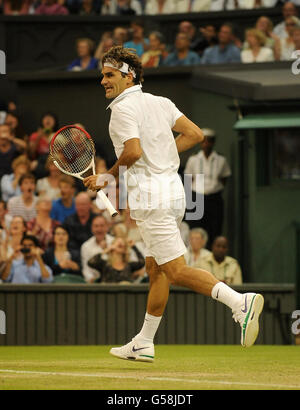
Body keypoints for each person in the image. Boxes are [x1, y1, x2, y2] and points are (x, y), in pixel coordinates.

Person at [83, 46, 264, 361]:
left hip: (153, 198)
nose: (103, 81)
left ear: (128, 76)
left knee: (176, 270)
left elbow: (134, 152)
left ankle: (239, 302)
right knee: (155, 269)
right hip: (173, 193)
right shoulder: (161, 102)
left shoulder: (121, 111)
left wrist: (106, 177)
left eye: (109, 75)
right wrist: (163, 154)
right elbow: (194, 135)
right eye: (102, 75)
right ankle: (144, 341)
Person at [184, 128, 231, 248]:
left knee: (214, 229)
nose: (206, 144)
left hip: (214, 197)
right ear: (200, 142)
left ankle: (210, 256)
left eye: (209, 141)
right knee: (195, 230)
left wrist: (214, 189)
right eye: (204, 141)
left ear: (213, 142)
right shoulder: (193, 159)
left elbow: (224, 178)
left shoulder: (221, 159)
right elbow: (188, 180)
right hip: (197, 196)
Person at [80, 214, 114, 282]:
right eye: (96, 226)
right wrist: (91, 280)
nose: (99, 229)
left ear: (107, 227)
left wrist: (106, 250)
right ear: (92, 228)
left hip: (112, 280)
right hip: (94, 282)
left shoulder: (114, 242)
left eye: (102, 226)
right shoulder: (86, 246)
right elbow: (86, 269)